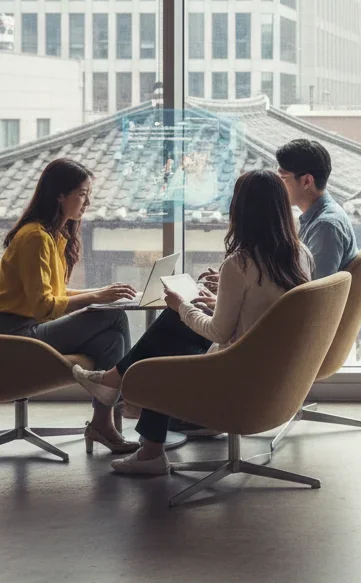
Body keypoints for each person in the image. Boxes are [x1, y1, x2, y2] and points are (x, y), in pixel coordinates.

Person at [72, 170, 313, 476]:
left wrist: (181, 305)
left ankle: (129, 413)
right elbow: (269, 311)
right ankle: (116, 388)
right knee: (178, 325)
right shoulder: (299, 255)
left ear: (241, 210)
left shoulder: (240, 263)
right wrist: (216, 302)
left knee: (166, 349)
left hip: (241, 376)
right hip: (279, 373)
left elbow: (218, 332)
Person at [0, 158, 139, 452]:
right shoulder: (35, 237)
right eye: (83, 194)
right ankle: (121, 408)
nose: (87, 203)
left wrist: (100, 291)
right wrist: (96, 298)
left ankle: (105, 423)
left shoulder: (52, 237)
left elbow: (56, 292)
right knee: (114, 317)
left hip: (31, 326)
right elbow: (43, 306)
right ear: (59, 195)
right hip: (15, 335)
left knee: (111, 338)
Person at [276, 139, 358, 278]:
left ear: (306, 181)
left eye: (283, 178)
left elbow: (316, 292)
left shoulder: (325, 226)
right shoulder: (319, 215)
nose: (278, 184)